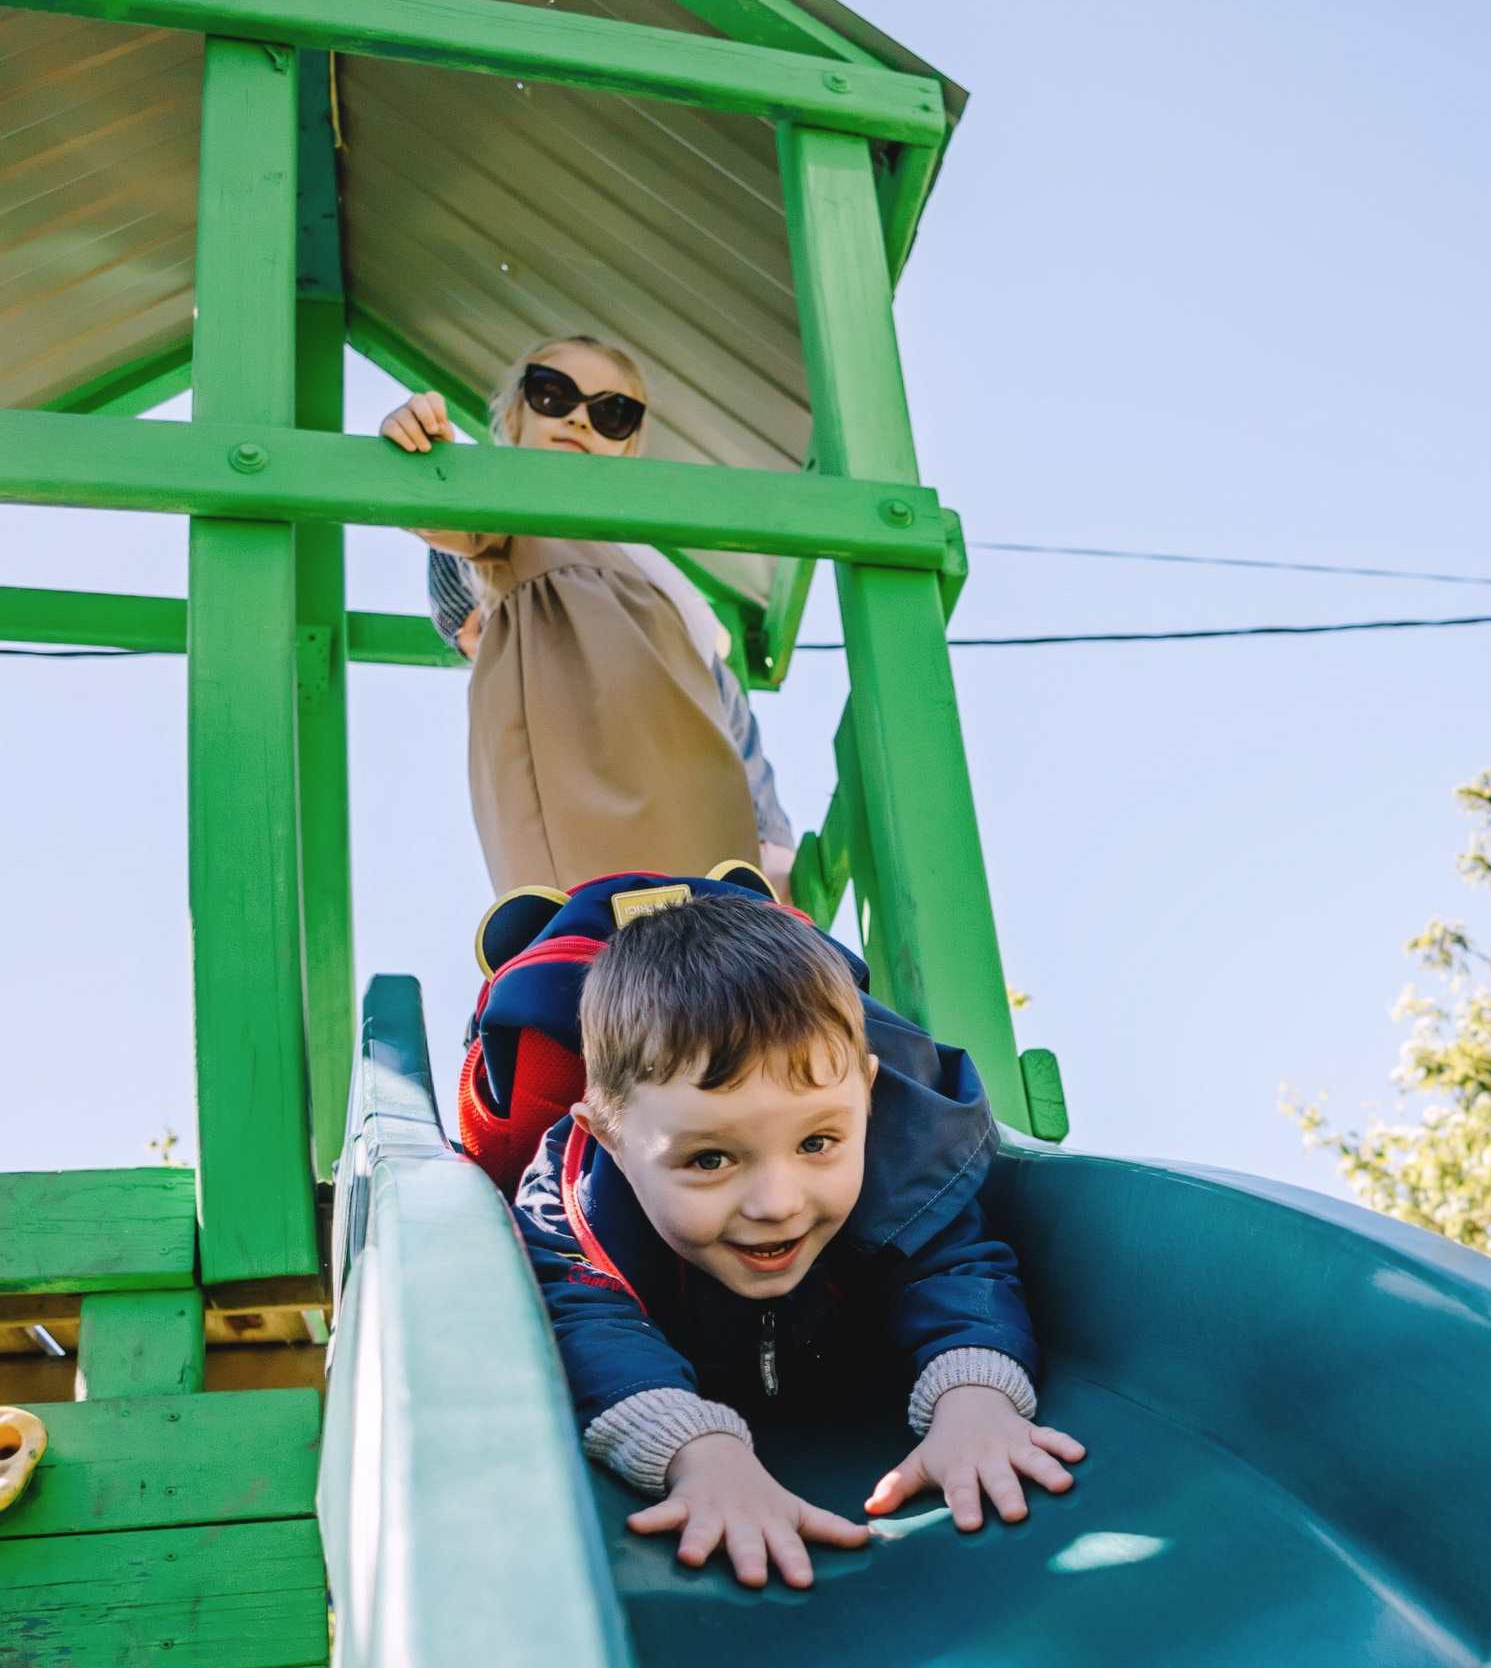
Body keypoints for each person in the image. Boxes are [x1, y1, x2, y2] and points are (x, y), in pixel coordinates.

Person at [514, 878, 1084, 1588]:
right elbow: (585, 1323)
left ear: (865, 1098)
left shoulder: (896, 1165)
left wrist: (975, 1401)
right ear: (613, 1140)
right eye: (710, 1158)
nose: (778, 1203)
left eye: (817, 1142)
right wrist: (700, 1454)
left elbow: (950, 1265)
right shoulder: (575, 1210)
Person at [380, 334, 799, 896]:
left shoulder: (661, 574)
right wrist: (429, 457)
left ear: (627, 447)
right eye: (553, 395)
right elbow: (450, 523)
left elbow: (732, 714)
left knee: (728, 959)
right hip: (589, 808)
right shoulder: (515, 513)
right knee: (605, 952)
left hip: (704, 812)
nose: (579, 419)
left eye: (611, 413)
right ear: (510, 418)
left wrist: (771, 841)